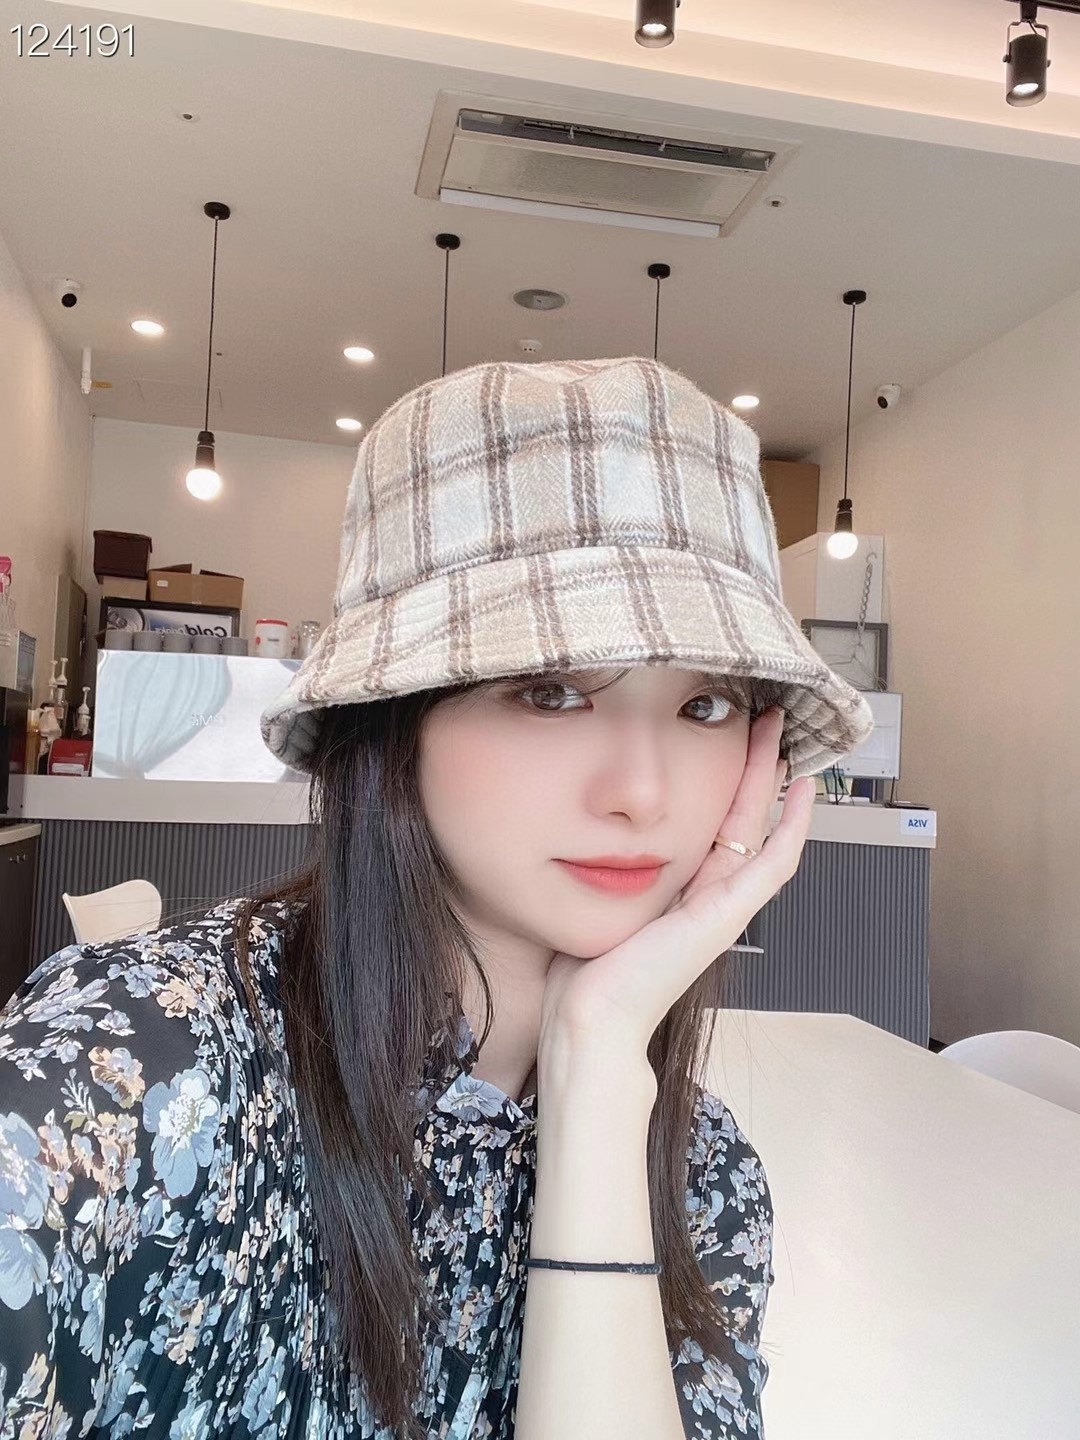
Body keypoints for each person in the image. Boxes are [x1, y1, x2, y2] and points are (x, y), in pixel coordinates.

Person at [0, 356, 874, 1438]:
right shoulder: (129, 1077)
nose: (643, 794)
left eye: (706, 706)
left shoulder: (702, 1176)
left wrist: (598, 1070)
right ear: (393, 721)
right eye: (551, 692)